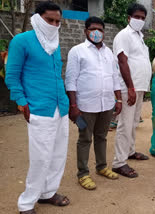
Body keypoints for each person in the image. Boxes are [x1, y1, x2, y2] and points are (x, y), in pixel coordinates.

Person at [5, 2, 70, 213]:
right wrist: (21, 102)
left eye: (57, 21)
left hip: (60, 107)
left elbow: (56, 75)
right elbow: (12, 76)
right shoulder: (21, 41)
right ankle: (26, 203)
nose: (53, 24)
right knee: (41, 158)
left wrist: (66, 102)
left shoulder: (54, 42)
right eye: (49, 20)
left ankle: (48, 193)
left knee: (58, 154)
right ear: (37, 18)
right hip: (38, 108)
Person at [65, 16, 122, 190]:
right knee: (84, 138)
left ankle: (102, 166)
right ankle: (83, 173)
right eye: (92, 29)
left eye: (100, 29)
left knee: (102, 136)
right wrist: (73, 106)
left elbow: (115, 78)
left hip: (106, 104)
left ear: (104, 32)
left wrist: (118, 99)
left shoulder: (108, 52)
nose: (97, 32)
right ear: (86, 31)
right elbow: (70, 80)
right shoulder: (77, 51)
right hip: (84, 106)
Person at [112, 3, 152, 178]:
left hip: (139, 87)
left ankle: (130, 151)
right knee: (125, 125)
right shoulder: (124, 35)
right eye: (137, 17)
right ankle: (119, 162)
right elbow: (122, 61)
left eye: (143, 18)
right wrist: (130, 87)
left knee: (134, 123)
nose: (140, 20)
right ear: (128, 18)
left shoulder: (139, 37)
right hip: (130, 87)